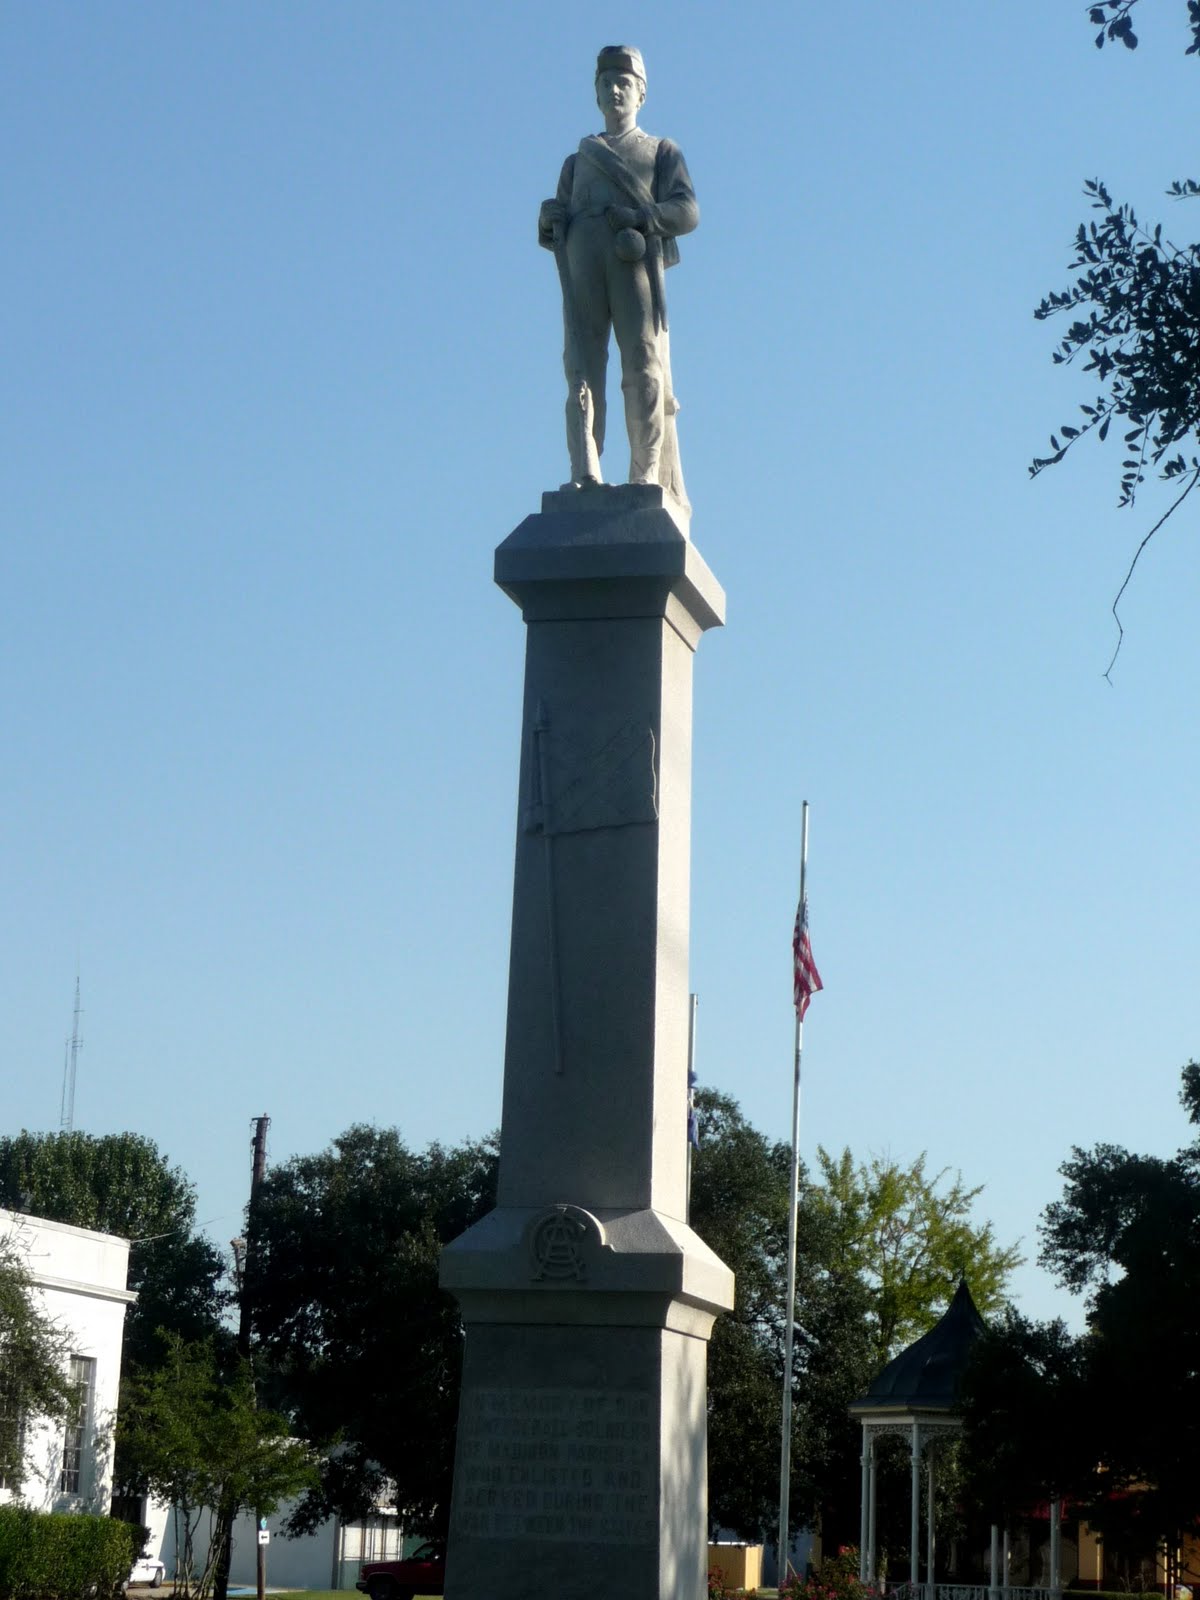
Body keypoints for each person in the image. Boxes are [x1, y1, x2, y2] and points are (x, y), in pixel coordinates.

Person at [538, 45, 698, 505]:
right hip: (583, 266)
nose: (614, 91)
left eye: (623, 83)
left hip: (633, 265)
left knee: (643, 361)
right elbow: (556, 220)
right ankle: (584, 467)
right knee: (582, 365)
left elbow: (687, 210)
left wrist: (643, 218)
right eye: (606, 83)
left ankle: (645, 471)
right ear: (596, 93)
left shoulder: (660, 151)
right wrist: (549, 218)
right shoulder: (577, 162)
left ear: (641, 93)